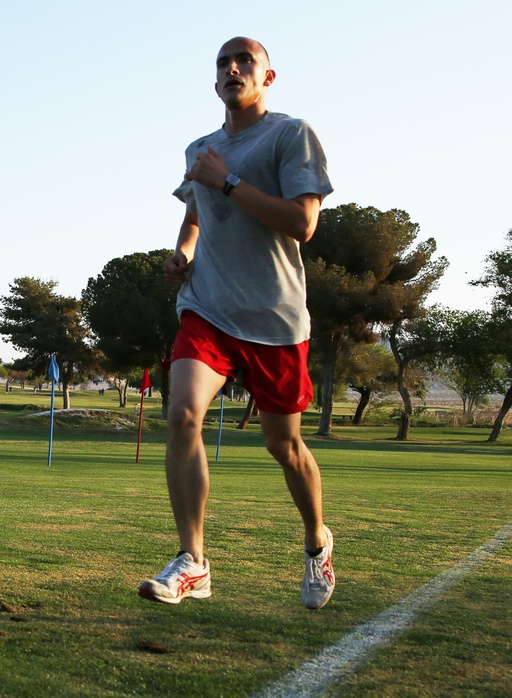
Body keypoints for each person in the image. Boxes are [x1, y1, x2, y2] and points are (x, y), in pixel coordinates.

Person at [138, 37, 336, 610]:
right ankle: (193, 561)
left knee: (285, 444)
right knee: (181, 414)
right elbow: (194, 215)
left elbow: (303, 223)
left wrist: (229, 182)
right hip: (209, 308)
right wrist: (183, 254)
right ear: (215, 80)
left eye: (244, 61)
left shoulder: (289, 134)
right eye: (223, 63)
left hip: (275, 317)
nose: (232, 69)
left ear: (267, 77)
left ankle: (317, 541)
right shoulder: (199, 149)